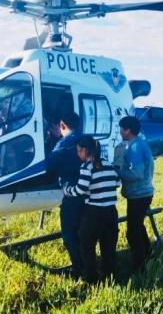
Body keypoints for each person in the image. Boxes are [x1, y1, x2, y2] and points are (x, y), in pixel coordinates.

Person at [63, 135, 121, 283]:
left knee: (86, 244)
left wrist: (67, 190)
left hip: (94, 212)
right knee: (108, 245)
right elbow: (117, 182)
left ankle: (91, 278)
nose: (78, 154)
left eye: (79, 151)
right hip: (111, 211)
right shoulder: (108, 164)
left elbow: (81, 189)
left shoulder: (87, 167)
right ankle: (110, 276)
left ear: (86, 150)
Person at [45, 112, 84, 276]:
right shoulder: (89, 140)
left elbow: (49, 166)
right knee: (85, 233)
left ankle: (79, 269)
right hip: (91, 196)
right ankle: (90, 264)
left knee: (70, 235)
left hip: (72, 197)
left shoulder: (63, 144)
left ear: (62, 126)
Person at [114, 115, 155, 271]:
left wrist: (117, 171)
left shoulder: (134, 147)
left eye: (121, 129)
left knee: (132, 233)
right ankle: (148, 255)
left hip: (138, 195)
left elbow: (136, 173)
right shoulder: (141, 143)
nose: (120, 132)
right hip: (143, 193)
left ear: (128, 130)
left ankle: (139, 266)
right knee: (138, 226)